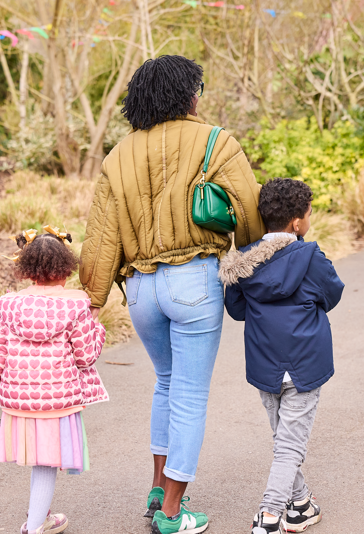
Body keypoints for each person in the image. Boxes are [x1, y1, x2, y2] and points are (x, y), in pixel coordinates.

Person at [80, 55, 265, 534]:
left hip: (141, 290)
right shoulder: (215, 141)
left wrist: (91, 302)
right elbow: (249, 216)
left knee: (165, 384)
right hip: (193, 283)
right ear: (188, 94)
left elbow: (101, 240)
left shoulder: (118, 155)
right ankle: (172, 514)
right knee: (188, 394)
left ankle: (159, 488)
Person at [218, 179, 345, 534]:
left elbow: (238, 309)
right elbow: (332, 294)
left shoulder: (244, 263)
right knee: (289, 444)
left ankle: (301, 504)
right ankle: (271, 515)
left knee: (285, 440)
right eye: (308, 213)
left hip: (265, 364)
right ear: (297, 223)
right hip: (305, 363)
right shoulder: (311, 257)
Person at [0, 227, 108, 534]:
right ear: (65, 268)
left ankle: (42, 516)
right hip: (57, 403)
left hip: (18, 403)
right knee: (46, 464)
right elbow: (87, 357)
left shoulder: (8, 305)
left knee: (40, 462)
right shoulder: (76, 305)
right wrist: (98, 329)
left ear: (28, 269)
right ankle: (34, 527)